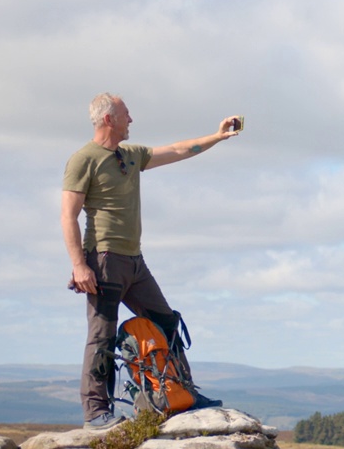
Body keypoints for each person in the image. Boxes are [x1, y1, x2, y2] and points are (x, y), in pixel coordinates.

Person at [62, 93, 240, 429]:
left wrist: (216, 137)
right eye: (126, 114)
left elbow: (176, 150)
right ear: (108, 119)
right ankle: (96, 412)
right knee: (102, 336)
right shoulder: (83, 159)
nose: (132, 120)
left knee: (167, 322)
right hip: (103, 260)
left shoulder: (130, 155)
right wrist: (78, 265)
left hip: (134, 261)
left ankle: (182, 394)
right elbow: (67, 216)